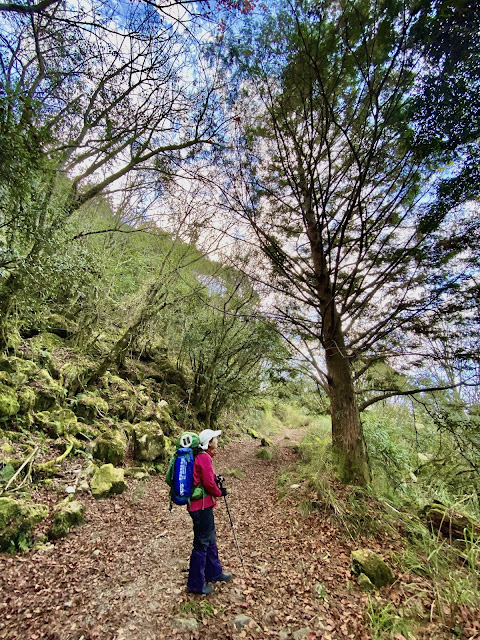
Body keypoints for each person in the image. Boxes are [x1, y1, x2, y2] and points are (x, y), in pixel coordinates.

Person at [187, 428, 231, 595]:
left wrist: (215, 477)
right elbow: (208, 484)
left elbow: (205, 478)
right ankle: (195, 585)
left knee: (210, 538)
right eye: (215, 438)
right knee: (202, 543)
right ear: (209, 442)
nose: (217, 440)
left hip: (201, 506)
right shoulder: (204, 458)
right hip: (201, 507)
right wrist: (220, 492)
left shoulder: (201, 457)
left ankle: (214, 572)